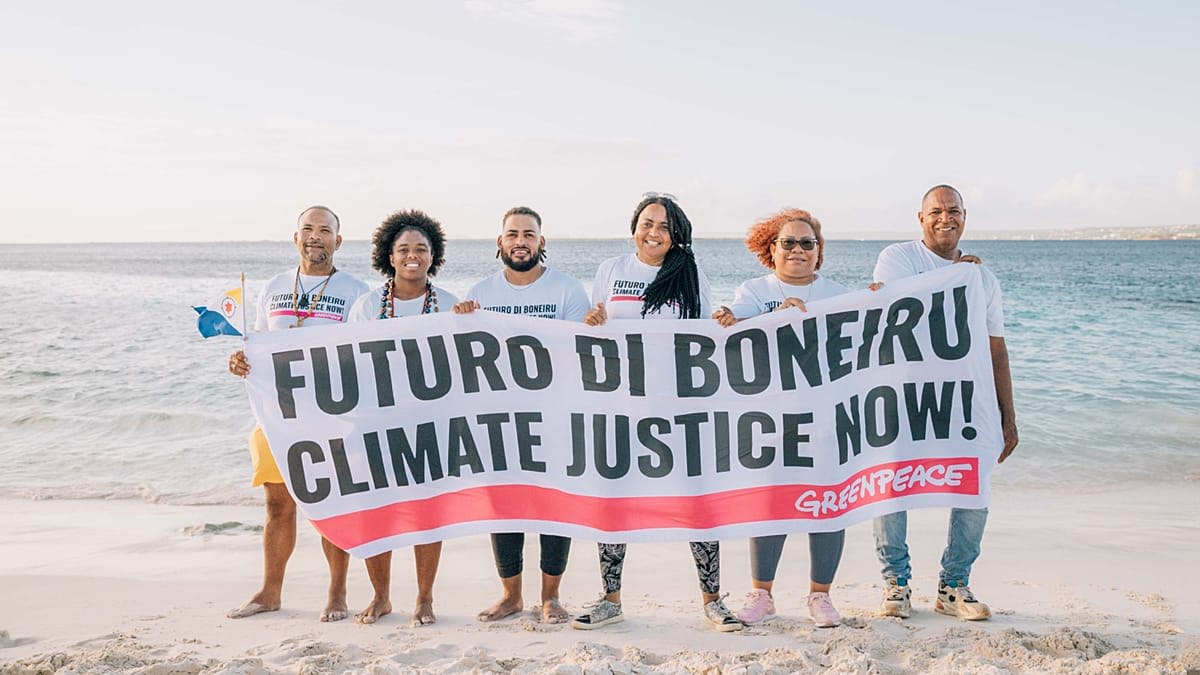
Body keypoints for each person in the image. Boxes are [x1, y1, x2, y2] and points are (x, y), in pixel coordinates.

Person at [570, 192, 742, 633]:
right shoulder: (611, 270)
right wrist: (590, 322)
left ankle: (713, 601)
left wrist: (727, 322)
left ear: (676, 235)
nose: (654, 232)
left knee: (697, 501)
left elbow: (704, 333)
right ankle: (610, 599)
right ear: (634, 227)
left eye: (664, 226)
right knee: (613, 500)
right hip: (621, 405)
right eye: (647, 223)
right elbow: (598, 328)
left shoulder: (689, 271)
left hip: (679, 406)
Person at [871, 184, 1019, 621]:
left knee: (974, 485)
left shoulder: (983, 278)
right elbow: (907, 306)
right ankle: (895, 586)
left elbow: (996, 349)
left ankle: (953, 587)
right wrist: (957, 276)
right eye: (935, 211)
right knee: (892, 483)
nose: (944, 218)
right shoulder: (898, 258)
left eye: (953, 211)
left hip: (964, 399)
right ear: (921, 218)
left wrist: (1008, 417)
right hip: (904, 394)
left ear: (965, 216)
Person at [226, 205, 371, 622]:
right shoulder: (272, 286)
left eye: (324, 230)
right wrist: (241, 361)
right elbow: (258, 343)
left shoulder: (356, 291)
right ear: (295, 238)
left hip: (332, 414)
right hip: (276, 413)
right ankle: (270, 592)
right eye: (307, 229)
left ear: (337, 241)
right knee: (277, 504)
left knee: (332, 503)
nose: (315, 236)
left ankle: (337, 593)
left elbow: (365, 352)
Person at [451, 206, 590, 624]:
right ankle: (511, 595)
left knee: (554, 504)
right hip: (500, 418)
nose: (521, 241)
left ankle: (551, 597)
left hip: (554, 414)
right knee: (505, 504)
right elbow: (463, 358)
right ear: (500, 243)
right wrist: (460, 322)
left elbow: (578, 351)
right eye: (513, 234)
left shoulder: (567, 290)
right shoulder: (481, 293)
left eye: (529, 234)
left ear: (541, 243)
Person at [712, 208, 848, 629]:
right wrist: (774, 316)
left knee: (826, 503)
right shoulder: (755, 289)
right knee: (770, 501)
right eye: (788, 242)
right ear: (772, 249)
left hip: (825, 417)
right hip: (770, 417)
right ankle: (762, 594)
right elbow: (736, 331)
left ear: (818, 251)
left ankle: (820, 596)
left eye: (807, 243)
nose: (797, 250)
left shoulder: (840, 293)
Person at [347, 208, 460, 626]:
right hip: (374, 424)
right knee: (376, 510)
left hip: (431, 426)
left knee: (426, 513)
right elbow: (346, 361)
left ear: (433, 256)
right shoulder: (366, 306)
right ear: (388, 256)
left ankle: (425, 599)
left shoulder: (449, 304)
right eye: (404, 249)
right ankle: (380, 596)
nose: (413, 256)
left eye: (422, 249)